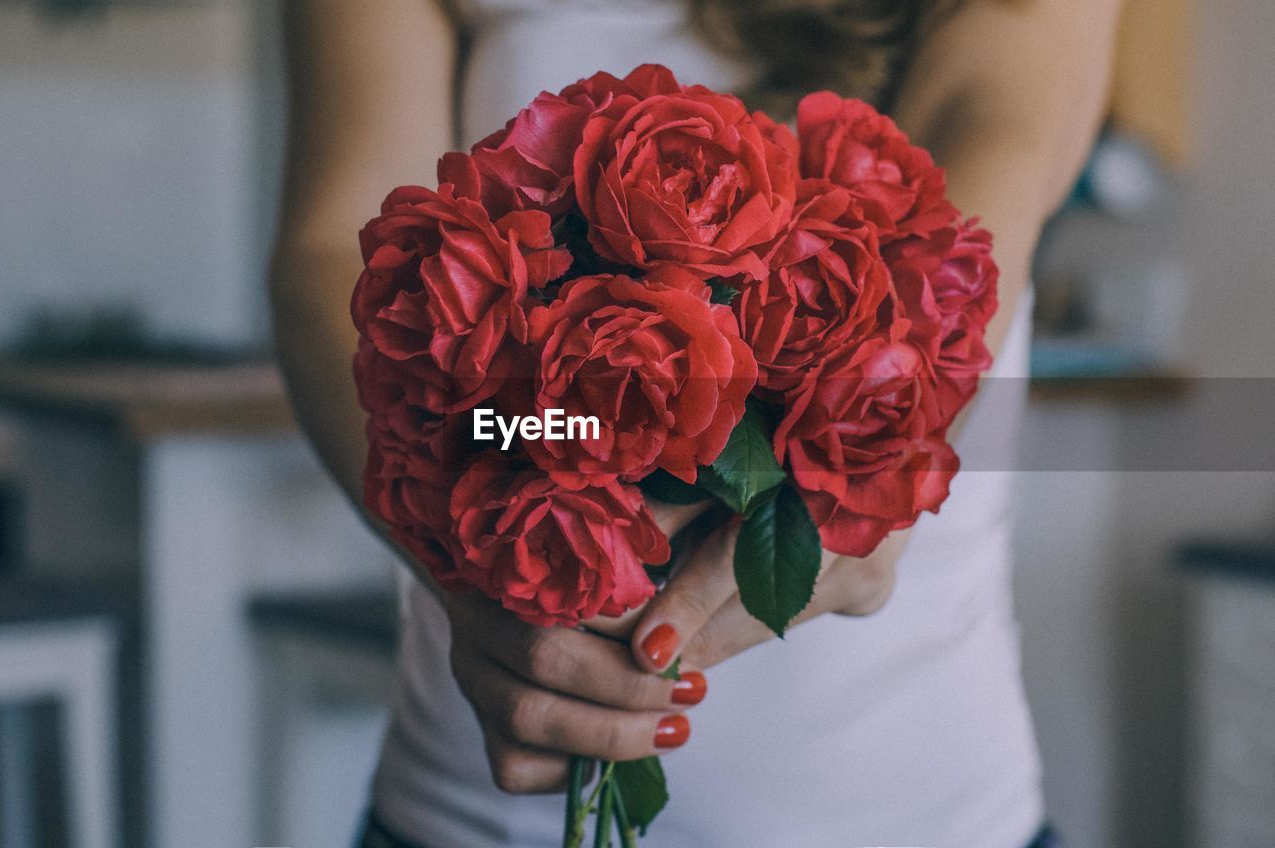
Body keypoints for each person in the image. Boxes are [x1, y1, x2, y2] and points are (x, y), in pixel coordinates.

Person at [270, 1, 1120, 845]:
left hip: (926, 814)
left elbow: (967, 208)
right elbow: (339, 251)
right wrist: (470, 530)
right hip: (473, 816)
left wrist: (859, 477)